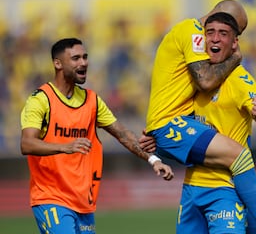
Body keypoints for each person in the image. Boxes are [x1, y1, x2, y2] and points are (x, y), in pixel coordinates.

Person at [145, 0, 256, 234]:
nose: (218, 39)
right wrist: (236, 58)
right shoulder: (194, 42)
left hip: (225, 189)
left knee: (240, 157)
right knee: (239, 156)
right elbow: (205, 82)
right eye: (215, 31)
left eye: (230, 33)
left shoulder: (234, 78)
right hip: (190, 177)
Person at [20, 38, 174, 234]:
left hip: (83, 201)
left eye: (85, 57)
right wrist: (64, 146)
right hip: (51, 198)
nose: (83, 63)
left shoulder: (92, 100)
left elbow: (123, 134)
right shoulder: (40, 100)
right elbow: (27, 144)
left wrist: (154, 160)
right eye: (75, 58)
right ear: (57, 63)